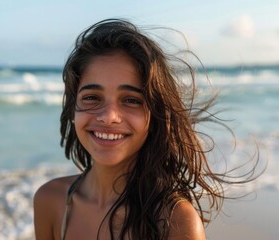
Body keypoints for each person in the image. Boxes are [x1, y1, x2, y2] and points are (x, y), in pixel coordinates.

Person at [34, 19, 259, 240]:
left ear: (156, 116)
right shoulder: (51, 201)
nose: (108, 117)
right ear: (73, 108)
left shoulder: (175, 221)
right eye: (92, 97)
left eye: (131, 100)